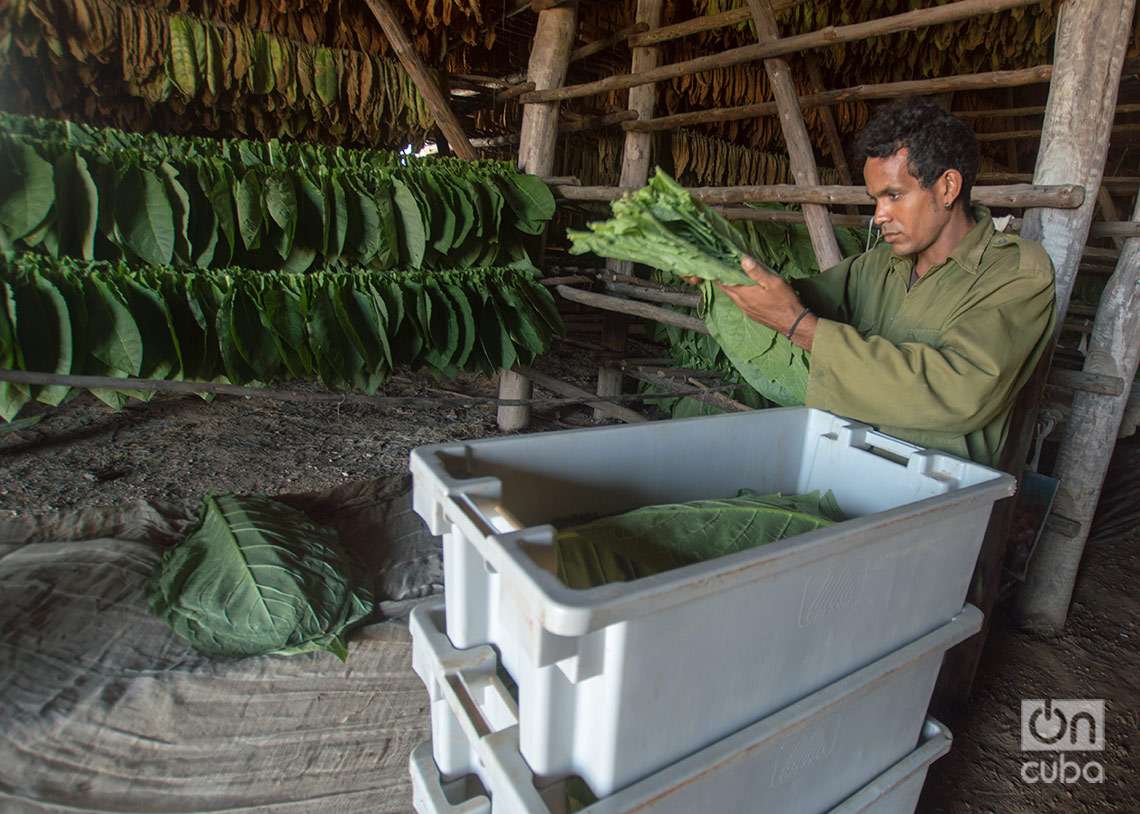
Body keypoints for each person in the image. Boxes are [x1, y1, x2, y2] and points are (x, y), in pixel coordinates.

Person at [715, 97, 1056, 467]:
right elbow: (799, 298)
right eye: (875, 199)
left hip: (936, 493)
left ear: (947, 187)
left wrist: (802, 328)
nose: (879, 216)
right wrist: (723, 270)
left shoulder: (1017, 273)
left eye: (893, 195)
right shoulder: (875, 266)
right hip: (845, 465)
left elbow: (960, 392)